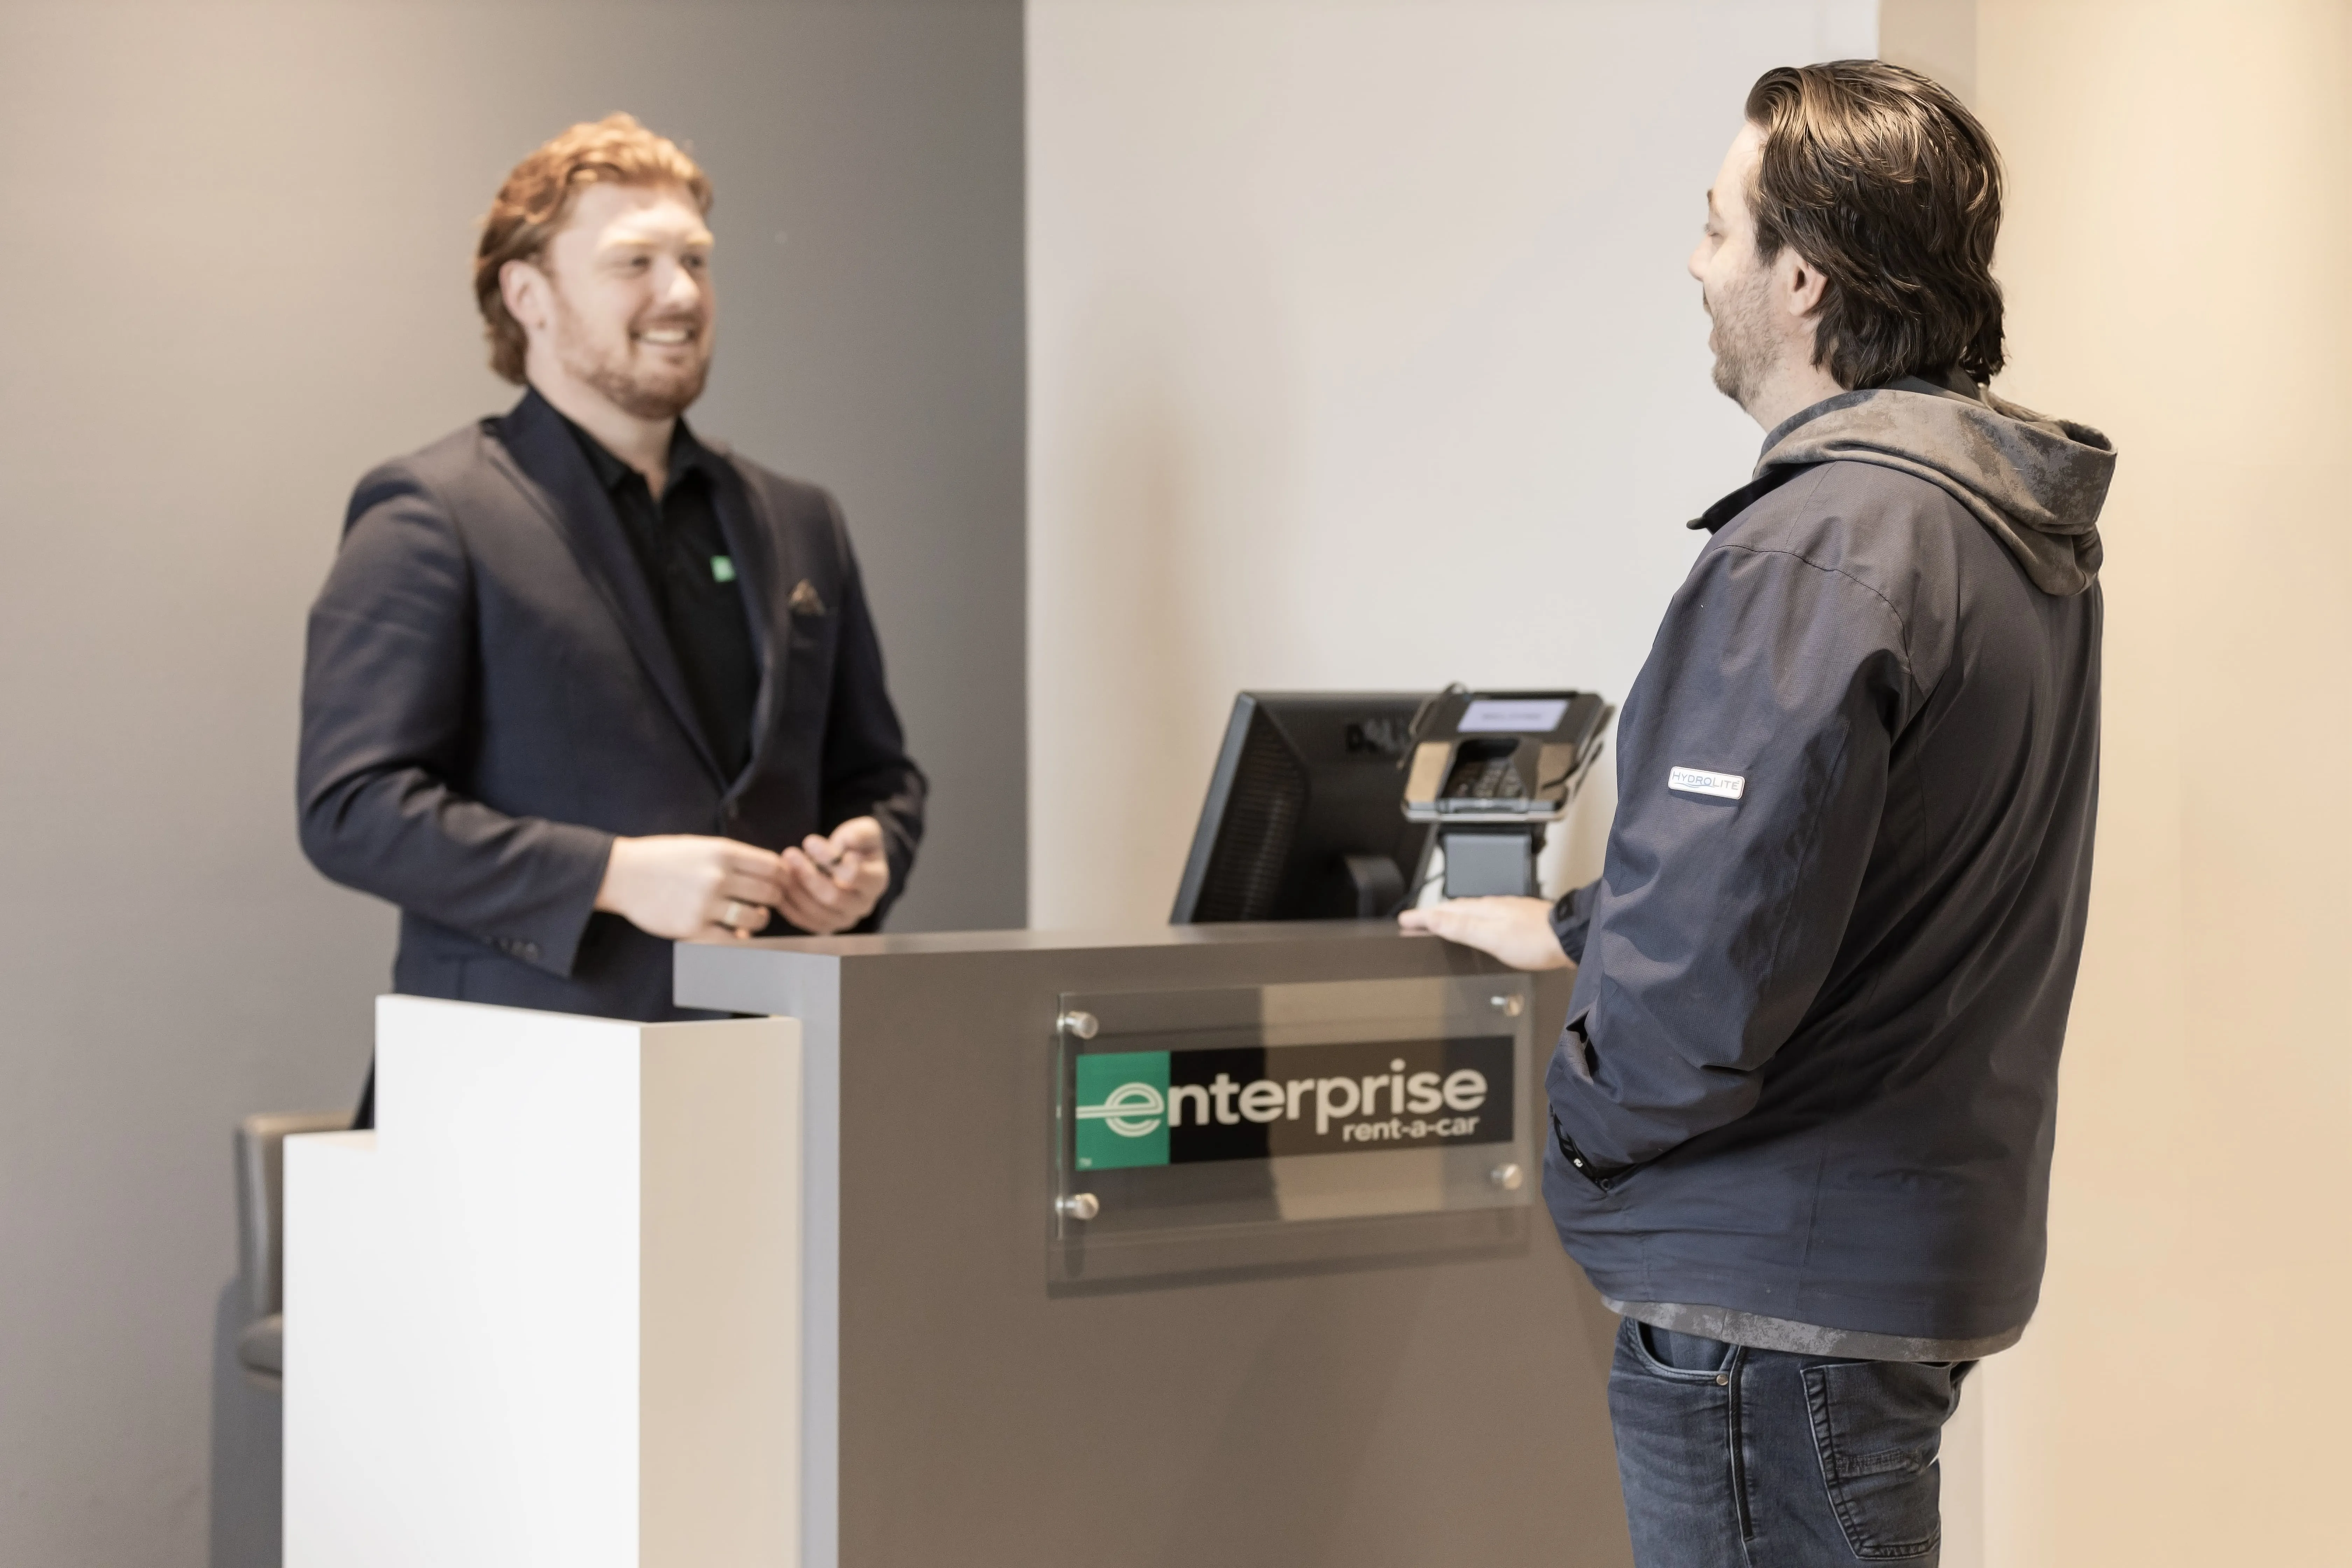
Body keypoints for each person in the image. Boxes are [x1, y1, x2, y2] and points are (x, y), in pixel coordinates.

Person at [1404, 62, 2111, 1567]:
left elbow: (1716, 968)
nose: (1694, 261)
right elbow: (1840, 872)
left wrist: (1584, 1134)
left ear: (1802, 279)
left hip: (1761, 1307)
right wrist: (1582, 924)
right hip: (1883, 1268)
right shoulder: (1992, 531)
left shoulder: (1824, 548)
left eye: (1716, 227)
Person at [300, 115, 925, 1124]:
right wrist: (613, 875)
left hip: (769, 1094)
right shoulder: (432, 512)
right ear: (529, 296)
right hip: (511, 1102)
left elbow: (877, 779)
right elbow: (351, 809)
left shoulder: (802, 520)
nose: (680, 293)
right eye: (633, 261)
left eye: (695, 260)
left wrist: (867, 861)